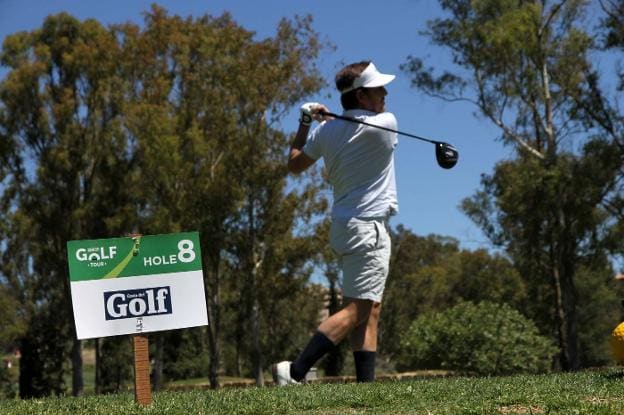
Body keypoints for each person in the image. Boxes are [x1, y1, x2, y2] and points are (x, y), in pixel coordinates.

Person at [273, 60, 399, 385]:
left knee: (369, 311)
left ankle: (366, 388)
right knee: (358, 309)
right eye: (377, 89)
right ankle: (295, 371)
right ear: (361, 96)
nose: (384, 93)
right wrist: (332, 120)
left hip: (345, 227)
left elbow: (294, 164)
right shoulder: (386, 123)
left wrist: (305, 122)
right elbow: (362, 127)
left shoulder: (325, 131)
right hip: (368, 230)